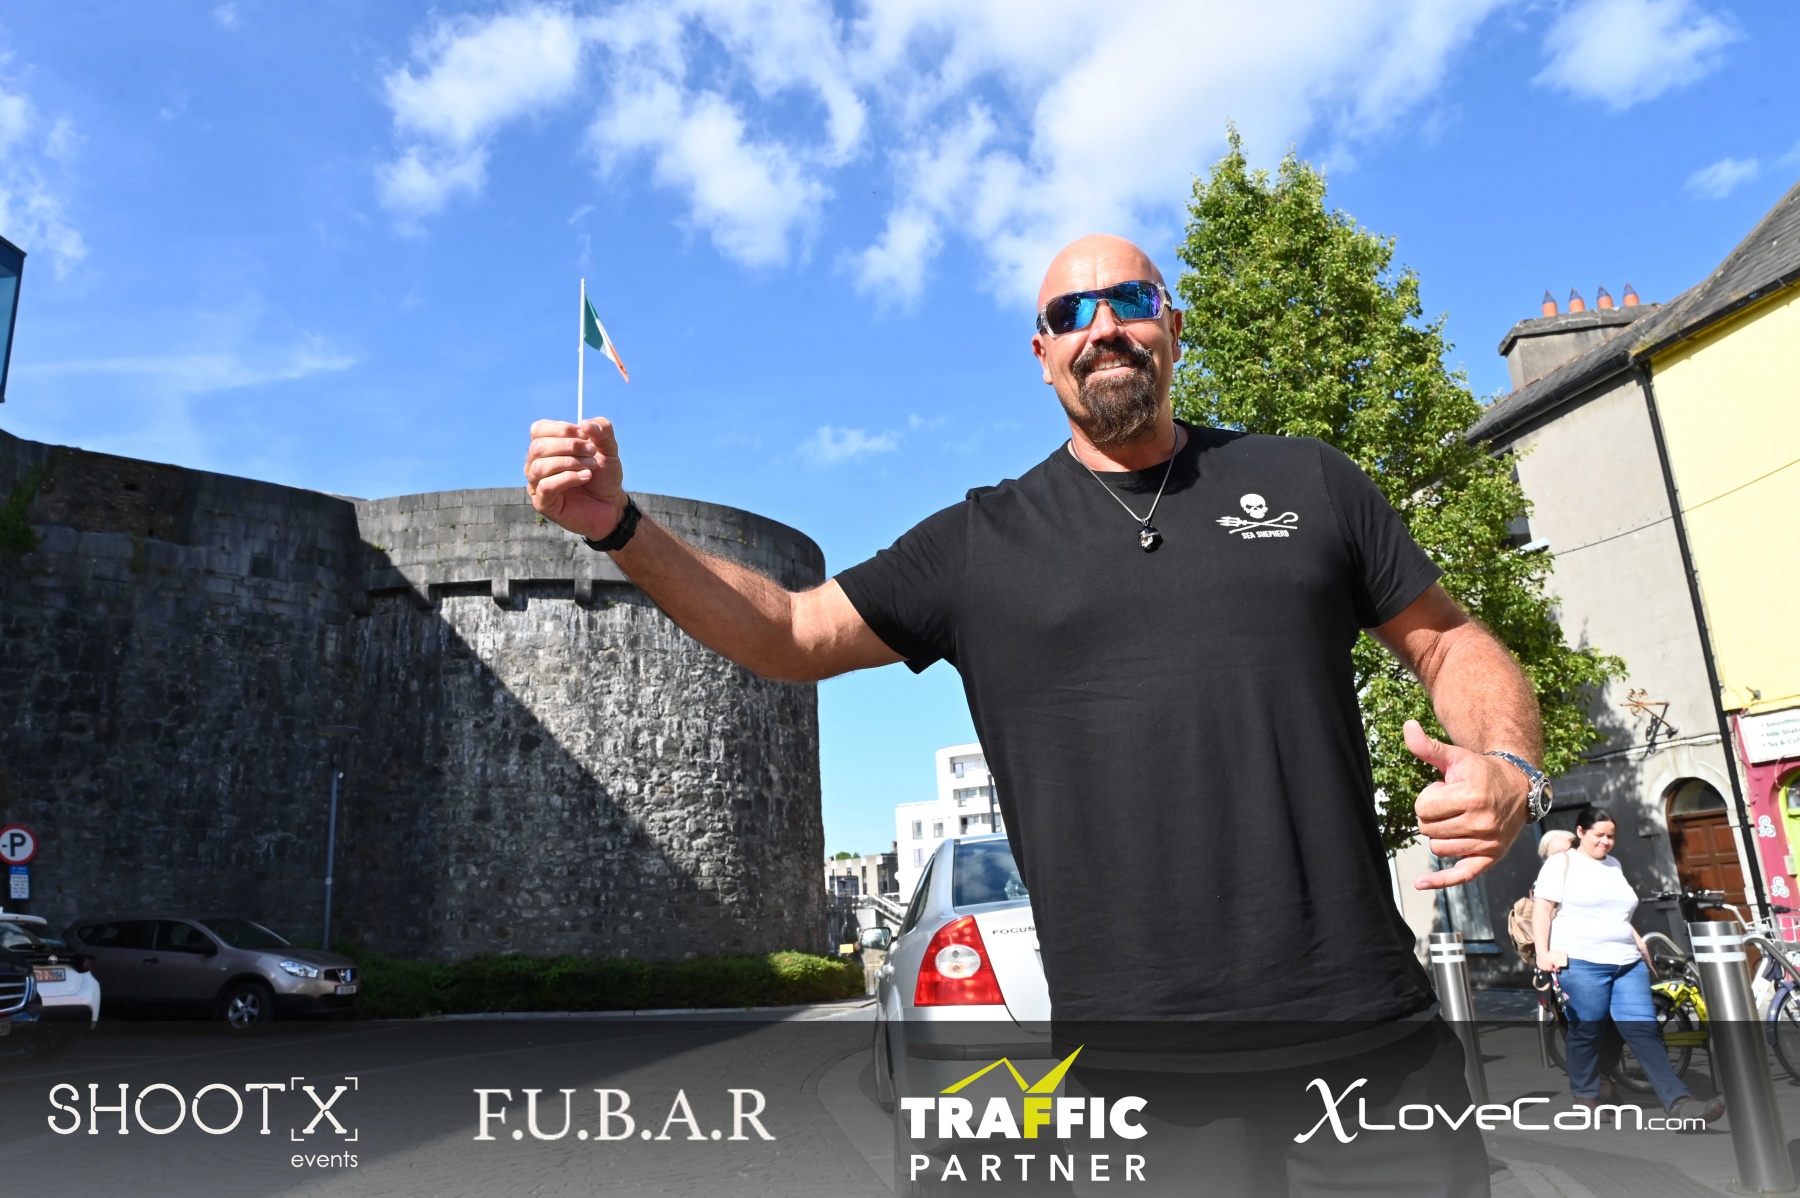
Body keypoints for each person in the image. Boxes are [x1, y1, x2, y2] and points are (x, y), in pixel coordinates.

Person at [525, 235, 1550, 1193]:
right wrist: (621, 527)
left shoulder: (1306, 481)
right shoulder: (981, 543)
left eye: (1130, 300)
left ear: (1172, 325)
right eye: (1071, 313)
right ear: (1043, 353)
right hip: (1141, 1076)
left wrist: (1509, 764)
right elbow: (790, 632)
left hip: (1373, 1048)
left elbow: (1449, 641)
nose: (1103, 327)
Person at [1533, 806, 1724, 1123]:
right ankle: (1586, 1096)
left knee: (1644, 1030)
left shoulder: (1614, 864)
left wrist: (1640, 945)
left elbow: (1617, 914)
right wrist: (1543, 953)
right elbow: (1541, 909)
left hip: (1626, 962)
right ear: (1580, 832)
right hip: (1582, 961)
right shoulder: (1560, 863)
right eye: (1599, 835)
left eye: (1611, 836)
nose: (1606, 842)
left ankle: (1679, 1102)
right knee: (1587, 1030)